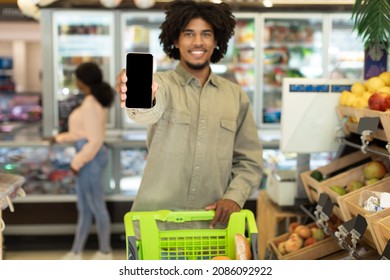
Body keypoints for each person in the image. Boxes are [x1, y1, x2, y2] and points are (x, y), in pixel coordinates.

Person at [116, 0, 263, 230]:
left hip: (211, 227)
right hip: (156, 227)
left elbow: (250, 160)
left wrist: (234, 196)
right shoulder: (161, 84)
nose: (198, 42)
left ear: (217, 41)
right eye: (188, 34)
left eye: (206, 34)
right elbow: (146, 112)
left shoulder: (235, 96)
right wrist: (140, 92)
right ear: (175, 39)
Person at [50, 62, 114, 260]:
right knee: (85, 207)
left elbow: (94, 140)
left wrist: (76, 162)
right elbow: (81, 133)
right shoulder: (90, 102)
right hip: (88, 157)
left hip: (89, 159)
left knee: (95, 206)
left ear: (82, 81)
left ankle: (105, 251)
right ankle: (76, 251)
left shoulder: (90, 105)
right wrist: (59, 138)